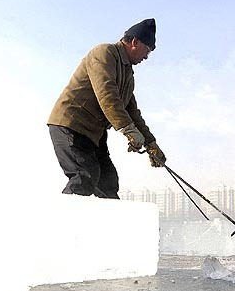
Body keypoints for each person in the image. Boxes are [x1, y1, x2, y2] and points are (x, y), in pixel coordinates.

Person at [47, 19, 167, 198]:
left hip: (94, 134)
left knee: (108, 182)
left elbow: (133, 112)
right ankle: (57, 224)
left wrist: (151, 143)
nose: (147, 57)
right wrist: (129, 130)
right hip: (71, 124)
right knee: (84, 176)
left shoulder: (127, 75)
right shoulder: (104, 53)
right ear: (135, 42)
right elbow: (107, 95)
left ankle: (114, 226)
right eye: (147, 51)